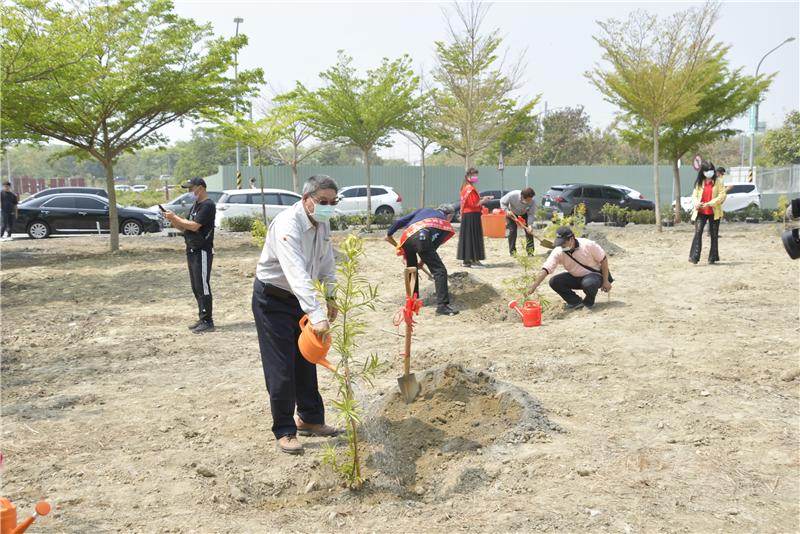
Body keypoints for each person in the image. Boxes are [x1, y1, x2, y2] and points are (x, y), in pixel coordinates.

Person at [252, 175, 341, 455]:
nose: (328, 207)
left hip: (300, 300)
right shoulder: (287, 225)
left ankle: (311, 418)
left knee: (306, 359)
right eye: (322, 202)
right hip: (273, 298)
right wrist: (317, 315)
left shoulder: (322, 222)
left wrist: (331, 296)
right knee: (281, 365)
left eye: (332, 202)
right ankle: (284, 429)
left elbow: (326, 262)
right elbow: (296, 273)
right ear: (306, 199)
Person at [385, 203, 459, 316]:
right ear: (449, 216)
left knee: (411, 269)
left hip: (407, 238)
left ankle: (413, 300)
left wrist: (389, 233)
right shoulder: (444, 224)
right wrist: (423, 261)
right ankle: (442, 306)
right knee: (439, 271)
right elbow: (433, 246)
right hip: (422, 237)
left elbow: (400, 221)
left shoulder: (424, 210)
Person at [164, 178, 217, 333]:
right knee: (196, 286)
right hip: (192, 249)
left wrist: (175, 217)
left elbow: (194, 226)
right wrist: (171, 219)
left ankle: (208, 320)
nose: (189, 192)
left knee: (202, 286)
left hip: (202, 250)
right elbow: (184, 226)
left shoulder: (208, 205)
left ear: (200, 188)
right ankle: (202, 317)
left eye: (190, 188)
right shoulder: (196, 205)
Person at [526, 226, 612, 310]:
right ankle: (576, 302)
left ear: (571, 239)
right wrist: (533, 286)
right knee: (554, 281)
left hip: (594, 276)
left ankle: (588, 302)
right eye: (559, 243)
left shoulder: (588, 245)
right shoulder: (558, 251)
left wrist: (605, 281)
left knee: (589, 283)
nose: (561, 246)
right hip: (575, 277)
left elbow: (603, 259)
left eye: (563, 243)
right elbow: (546, 268)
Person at [689, 161, 726, 265]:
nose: (709, 172)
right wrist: (696, 203)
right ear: (703, 171)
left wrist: (710, 203)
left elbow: (722, 195)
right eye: (707, 170)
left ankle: (713, 257)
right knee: (698, 232)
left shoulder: (718, 182)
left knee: (714, 235)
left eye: (711, 170)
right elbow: (694, 195)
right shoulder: (699, 183)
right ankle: (694, 256)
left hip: (714, 211)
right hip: (701, 211)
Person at [456, 167, 493, 268]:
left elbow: (471, 201)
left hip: (467, 215)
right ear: (468, 176)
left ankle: (466, 260)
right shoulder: (470, 188)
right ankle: (474, 260)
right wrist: (484, 200)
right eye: (474, 175)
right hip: (472, 215)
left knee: (467, 238)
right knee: (474, 237)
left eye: (476, 175)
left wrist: (482, 199)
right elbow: (474, 204)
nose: (476, 177)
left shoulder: (465, 187)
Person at [500, 187, 537, 256]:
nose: (530, 200)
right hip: (511, 214)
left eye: (531, 198)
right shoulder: (512, 195)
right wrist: (506, 210)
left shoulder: (532, 201)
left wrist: (530, 225)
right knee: (512, 231)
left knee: (529, 231)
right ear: (523, 197)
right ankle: (513, 252)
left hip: (524, 214)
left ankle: (530, 252)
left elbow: (531, 214)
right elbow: (502, 202)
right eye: (529, 199)